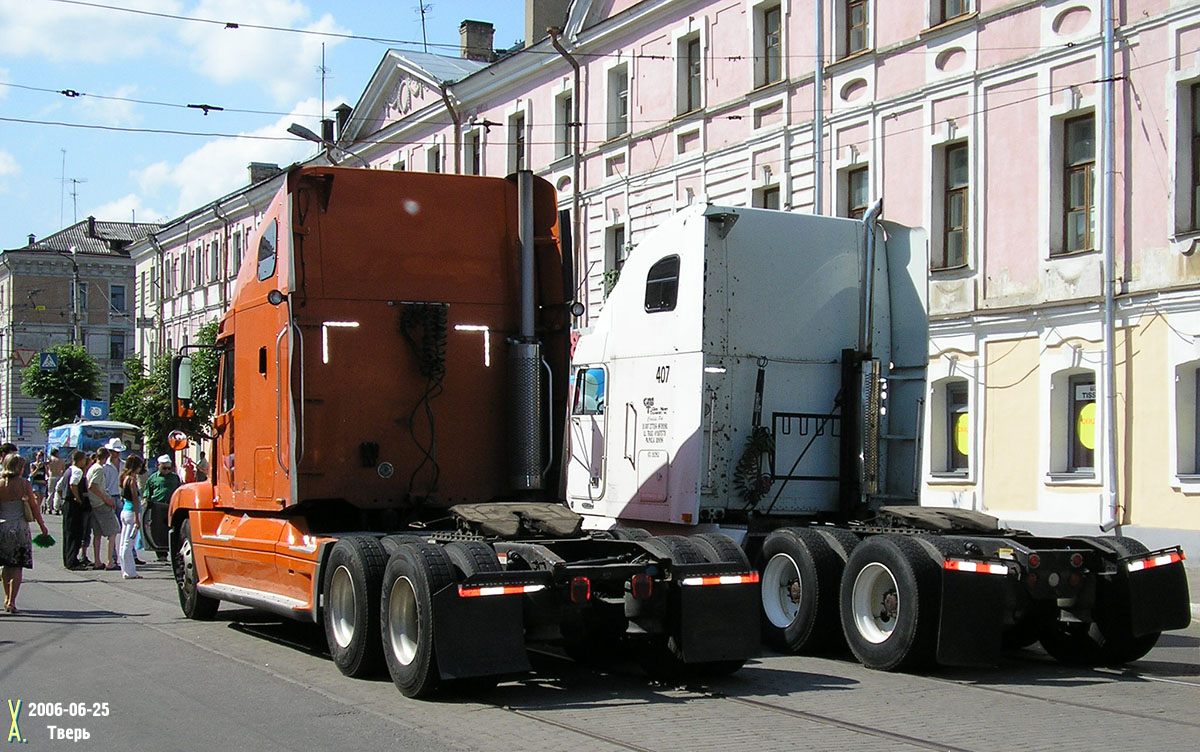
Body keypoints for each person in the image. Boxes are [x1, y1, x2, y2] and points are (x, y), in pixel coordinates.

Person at [0, 453, 49, 613]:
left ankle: (6, 596)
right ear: (19, 468)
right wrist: (42, 526)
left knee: (6, 566)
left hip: (2, 528)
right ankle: (12, 601)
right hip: (19, 528)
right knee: (17, 566)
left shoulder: (0, 484)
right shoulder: (24, 484)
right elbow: (34, 507)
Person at [86, 447, 120, 570]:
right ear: (106, 457)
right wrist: (107, 500)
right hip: (101, 504)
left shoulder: (91, 468)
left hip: (93, 504)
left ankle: (97, 561)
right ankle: (110, 561)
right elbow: (93, 486)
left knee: (98, 534)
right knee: (113, 531)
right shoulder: (99, 469)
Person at [144, 455, 180, 561]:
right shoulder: (153, 478)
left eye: (169, 468)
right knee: (157, 529)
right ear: (158, 466)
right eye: (164, 468)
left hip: (170, 506)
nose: (167, 470)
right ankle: (161, 554)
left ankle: (173, 552)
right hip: (157, 507)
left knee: (171, 529)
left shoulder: (174, 477)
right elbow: (147, 493)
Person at [116, 456, 144, 579]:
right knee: (129, 543)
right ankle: (130, 572)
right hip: (132, 512)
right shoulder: (132, 480)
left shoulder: (123, 478)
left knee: (123, 542)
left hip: (124, 511)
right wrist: (137, 518)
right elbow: (135, 498)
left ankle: (125, 570)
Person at [61, 450, 90, 570]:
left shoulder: (68, 470)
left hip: (66, 503)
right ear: (81, 460)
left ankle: (68, 559)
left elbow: (59, 486)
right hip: (73, 504)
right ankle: (72, 561)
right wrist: (78, 498)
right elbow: (73, 484)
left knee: (67, 533)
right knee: (75, 533)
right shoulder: (77, 471)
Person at [46, 449, 65, 514]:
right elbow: (63, 469)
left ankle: (49, 508)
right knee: (58, 493)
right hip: (59, 476)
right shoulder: (60, 461)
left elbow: (47, 468)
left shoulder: (50, 461)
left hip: (51, 476)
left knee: (50, 493)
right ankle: (57, 507)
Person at [30, 450, 48, 515]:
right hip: (35, 483)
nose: (39, 457)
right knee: (37, 497)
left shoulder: (44, 465)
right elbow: (32, 474)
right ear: (36, 456)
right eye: (38, 455)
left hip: (42, 483)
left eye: (41, 456)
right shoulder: (32, 465)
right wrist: (37, 468)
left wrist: (46, 454)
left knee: (40, 498)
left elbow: (47, 473)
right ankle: (36, 512)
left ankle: (36, 510)